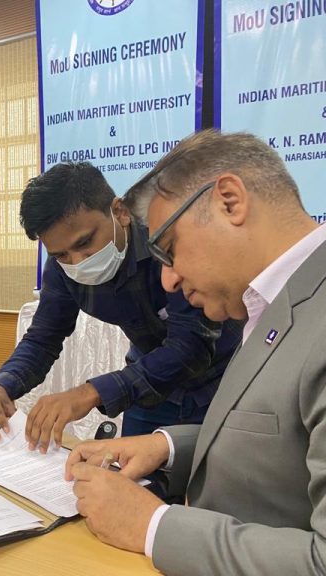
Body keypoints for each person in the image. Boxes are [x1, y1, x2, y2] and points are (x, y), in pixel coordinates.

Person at [65, 129, 326, 575]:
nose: (168, 281)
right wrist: (166, 447)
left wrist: (151, 525)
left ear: (229, 201)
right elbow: (284, 442)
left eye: (169, 251)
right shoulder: (272, 302)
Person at [0, 162, 242, 449]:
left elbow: (190, 346)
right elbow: (43, 337)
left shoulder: (164, 241)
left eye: (85, 242)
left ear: (120, 212)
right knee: (134, 481)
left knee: (210, 482)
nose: (78, 262)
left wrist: (92, 392)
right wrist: (3, 384)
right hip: (148, 390)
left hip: (222, 387)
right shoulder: (62, 269)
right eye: (61, 254)